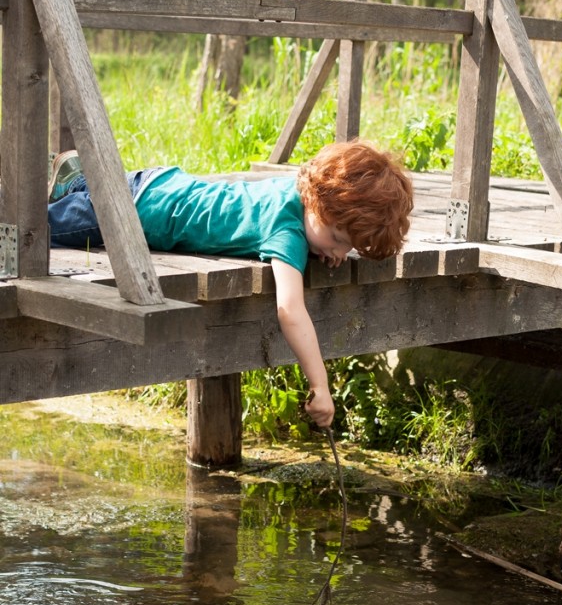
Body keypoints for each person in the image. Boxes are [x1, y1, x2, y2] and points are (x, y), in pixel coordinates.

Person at [48, 140, 413, 428]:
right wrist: (319, 385)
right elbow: (290, 309)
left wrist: (327, 241)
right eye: (336, 237)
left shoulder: (298, 192)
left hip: (161, 183)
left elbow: (317, 231)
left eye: (346, 247)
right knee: (44, 226)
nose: (338, 252)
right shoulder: (286, 232)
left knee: (91, 192)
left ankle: (74, 178)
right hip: (134, 213)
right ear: (318, 204)